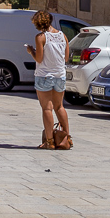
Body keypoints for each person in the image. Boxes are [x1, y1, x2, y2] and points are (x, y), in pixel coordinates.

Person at [25, 11, 71, 149]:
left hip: (44, 75)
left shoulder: (41, 37)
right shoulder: (63, 36)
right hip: (60, 75)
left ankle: (49, 142)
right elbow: (66, 58)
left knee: (47, 108)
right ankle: (67, 138)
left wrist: (30, 51)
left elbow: (39, 58)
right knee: (59, 107)